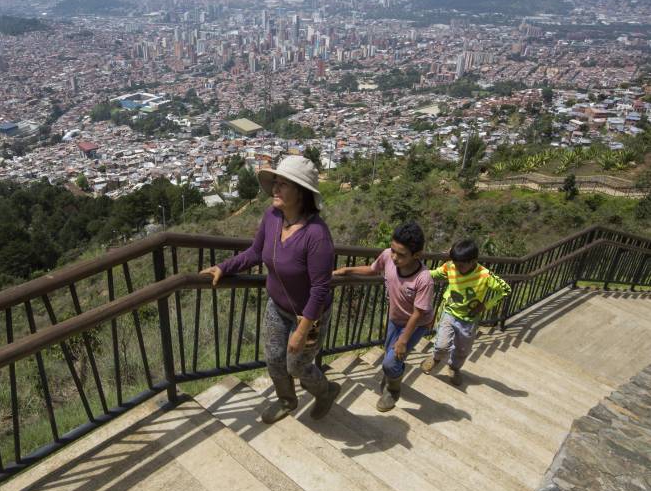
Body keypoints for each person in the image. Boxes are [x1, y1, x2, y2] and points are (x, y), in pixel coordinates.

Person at [201, 155, 340, 424]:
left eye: (283, 184)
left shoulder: (316, 235)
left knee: (296, 365)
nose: (275, 189)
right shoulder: (273, 216)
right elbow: (256, 252)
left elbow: (320, 288)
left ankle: (326, 390)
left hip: (308, 316)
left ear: (300, 192)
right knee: (275, 359)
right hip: (277, 306)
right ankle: (287, 400)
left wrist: (302, 330)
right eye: (275, 183)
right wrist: (224, 267)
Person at [333, 222, 434, 411]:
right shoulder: (388, 256)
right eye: (393, 250)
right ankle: (391, 375)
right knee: (389, 352)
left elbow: (419, 312)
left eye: (401, 254)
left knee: (390, 361)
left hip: (415, 323)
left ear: (417, 255)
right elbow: (373, 269)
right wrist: (347, 270)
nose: (394, 257)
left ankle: (393, 390)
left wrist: (404, 340)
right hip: (395, 318)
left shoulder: (424, 279)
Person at [421, 239, 512, 385]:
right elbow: (437, 274)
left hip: (469, 319)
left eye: (461, 265)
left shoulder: (485, 275)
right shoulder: (451, 266)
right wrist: (417, 274)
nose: (456, 268)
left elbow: (505, 290)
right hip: (449, 312)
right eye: (455, 264)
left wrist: (485, 306)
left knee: (463, 349)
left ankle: (454, 367)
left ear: (473, 261)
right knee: (441, 345)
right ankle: (436, 358)